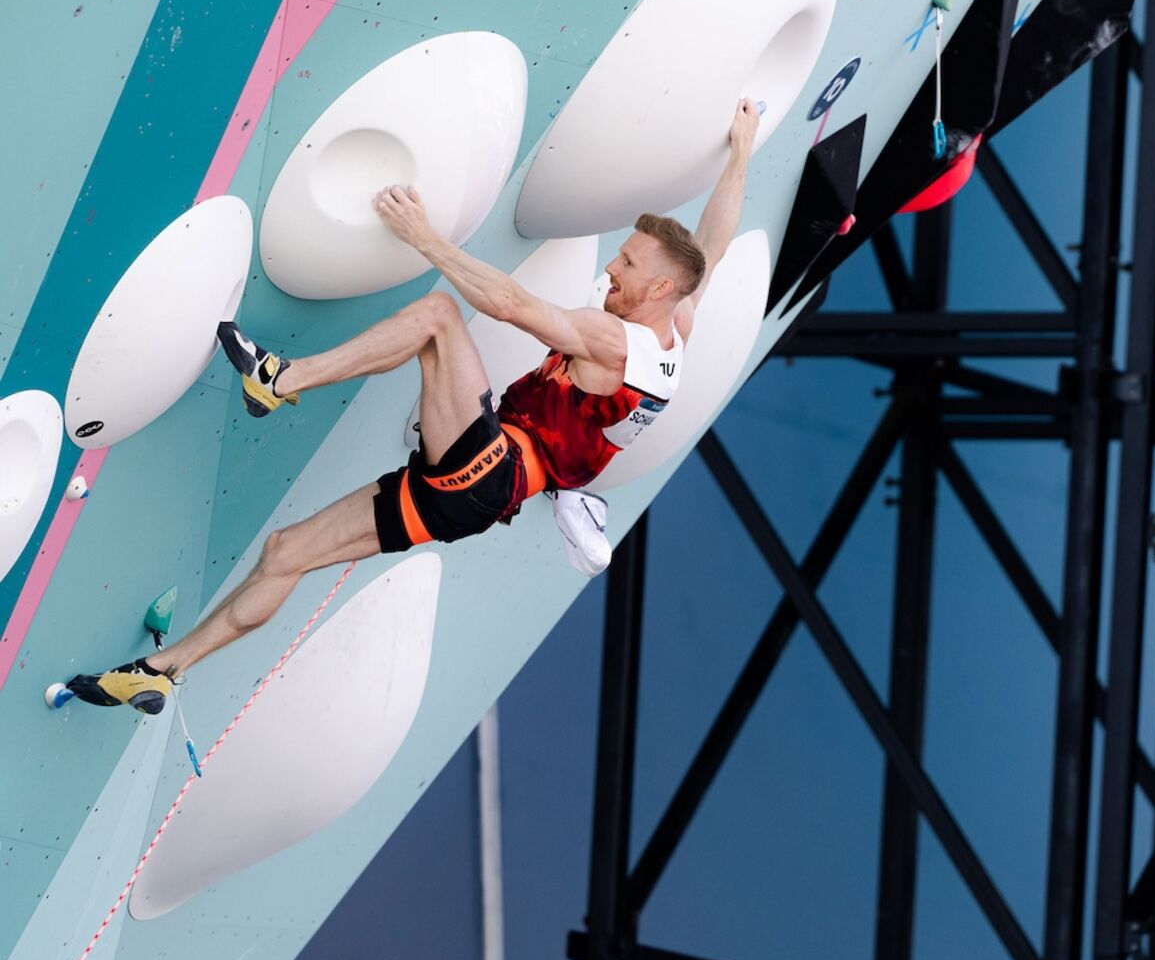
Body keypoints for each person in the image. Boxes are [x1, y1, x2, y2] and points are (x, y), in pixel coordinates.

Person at [58, 99, 761, 716]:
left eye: (628, 264)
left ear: (659, 288)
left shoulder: (614, 342)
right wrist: (741, 153)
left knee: (437, 319)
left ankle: (279, 378)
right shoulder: (675, 330)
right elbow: (714, 244)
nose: (610, 267)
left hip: (490, 470)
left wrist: (425, 238)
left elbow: (509, 303)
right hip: (468, 497)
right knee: (285, 553)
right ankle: (161, 671)